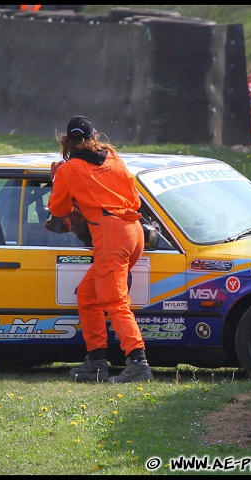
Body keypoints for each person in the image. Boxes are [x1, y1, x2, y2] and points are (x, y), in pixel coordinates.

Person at [47, 115, 152, 383]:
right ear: (94, 137)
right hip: (134, 231)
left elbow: (58, 210)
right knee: (88, 294)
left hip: (112, 236)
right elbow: (132, 195)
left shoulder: (68, 170)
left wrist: (59, 179)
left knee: (115, 301)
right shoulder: (114, 157)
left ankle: (138, 363)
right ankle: (96, 362)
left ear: (67, 141)